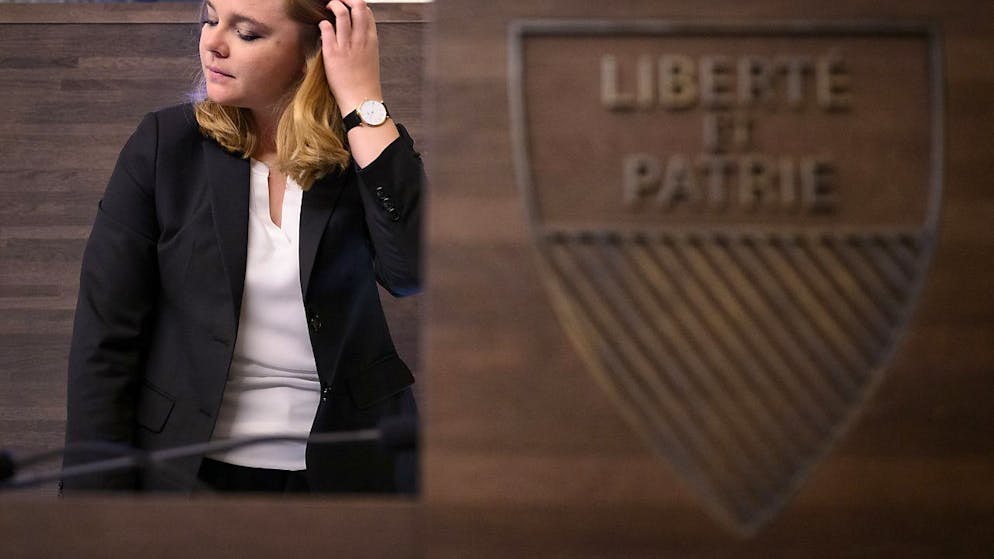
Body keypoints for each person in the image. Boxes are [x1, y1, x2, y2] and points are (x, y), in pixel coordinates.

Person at [61, 0, 423, 494]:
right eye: (210, 20)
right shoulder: (165, 145)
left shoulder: (362, 149)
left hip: (351, 468)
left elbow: (412, 272)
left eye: (247, 33)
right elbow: (104, 338)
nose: (212, 43)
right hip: (191, 470)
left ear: (312, 52)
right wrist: (93, 505)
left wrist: (364, 101)